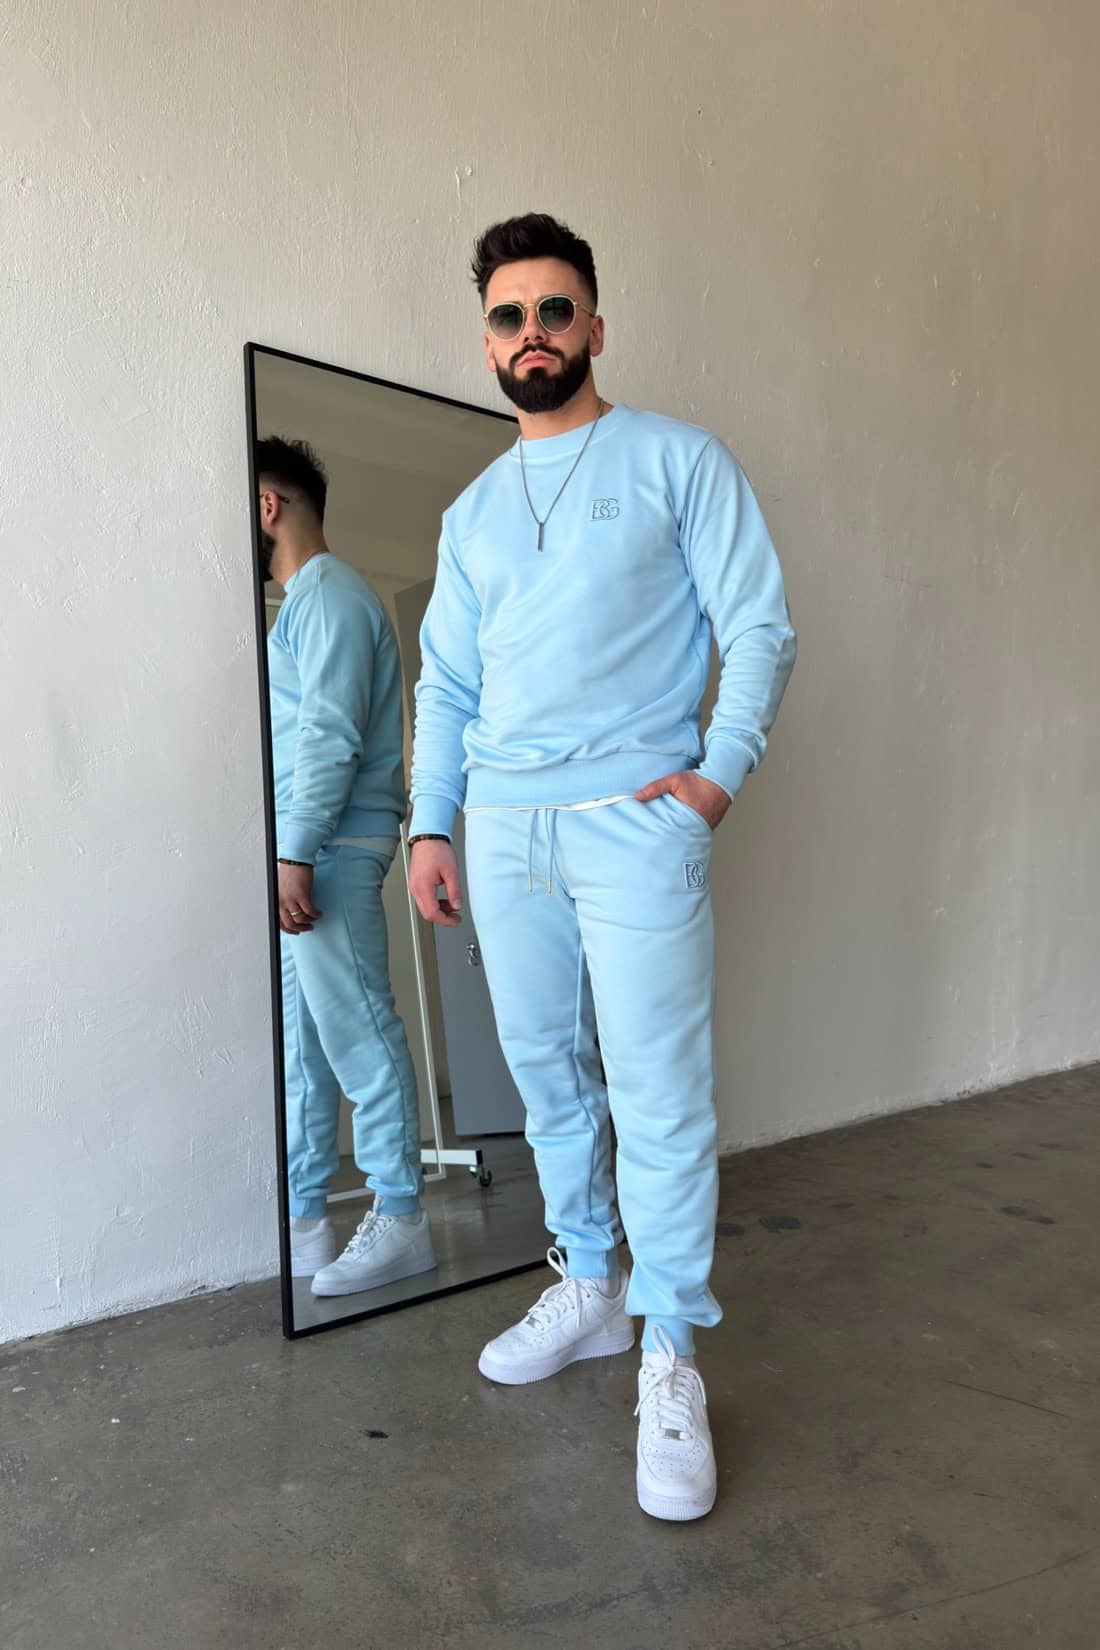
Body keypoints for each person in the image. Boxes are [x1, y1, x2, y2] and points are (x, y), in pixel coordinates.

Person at [406, 215, 796, 1522]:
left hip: (635, 818)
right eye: (509, 316)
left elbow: (759, 624)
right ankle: (589, 1283)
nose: (533, 334)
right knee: (545, 1075)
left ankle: (670, 1350)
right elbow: (446, 684)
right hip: (502, 827)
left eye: (555, 310)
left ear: (596, 325)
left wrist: (716, 774)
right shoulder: (470, 512)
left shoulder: (678, 459)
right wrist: (432, 824)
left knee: (659, 1092)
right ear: (487, 344)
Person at [258, 436, 435, 1297]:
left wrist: (296, 849)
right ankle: (304, 1220)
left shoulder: (328, 594)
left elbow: (328, 733)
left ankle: (401, 1216)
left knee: (360, 1031)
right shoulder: (304, 604)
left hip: (327, 846)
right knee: (308, 1049)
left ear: (267, 506)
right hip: (308, 848)